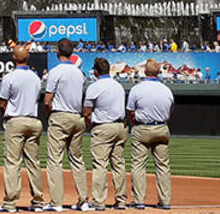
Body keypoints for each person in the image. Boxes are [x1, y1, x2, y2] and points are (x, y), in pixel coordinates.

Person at [0, 45, 45, 212]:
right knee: (33, 162)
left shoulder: (10, 77)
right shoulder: (35, 77)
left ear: (13, 58)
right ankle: (38, 201)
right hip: (33, 120)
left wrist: (6, 117)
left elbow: (2, 103)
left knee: (12, 162)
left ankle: (10, 203)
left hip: (16, 119)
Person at [43, 39, 87, 212]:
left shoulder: (56, 72)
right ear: (73, 52)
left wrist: (50, 116)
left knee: (54, 160)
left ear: (57, 53)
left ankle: (56, 202)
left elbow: (47, 100)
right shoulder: (79, 74)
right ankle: (83, 201)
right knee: (77, 160)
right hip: (77, 117)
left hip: (60, 115)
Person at [126, 59, 174, 210]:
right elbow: (170, 109)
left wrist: (135, 123)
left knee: (138, 165)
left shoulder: (137, 89)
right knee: (163, 166)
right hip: (161, 127)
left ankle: (139, 200)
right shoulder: (166, 90)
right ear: (159, 72)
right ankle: (165, 201)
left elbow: (130, 111)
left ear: (145, 71)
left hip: (142, 127)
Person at [82, 57, 126, 211]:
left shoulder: (94, 87)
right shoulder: (118, 86)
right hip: (120, 126)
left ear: (95, 71)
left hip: (103, 126)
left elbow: (87, 112)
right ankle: (121, 201)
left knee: (100, 164)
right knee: (118, 164)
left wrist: (91, 126)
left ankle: (99, 201)